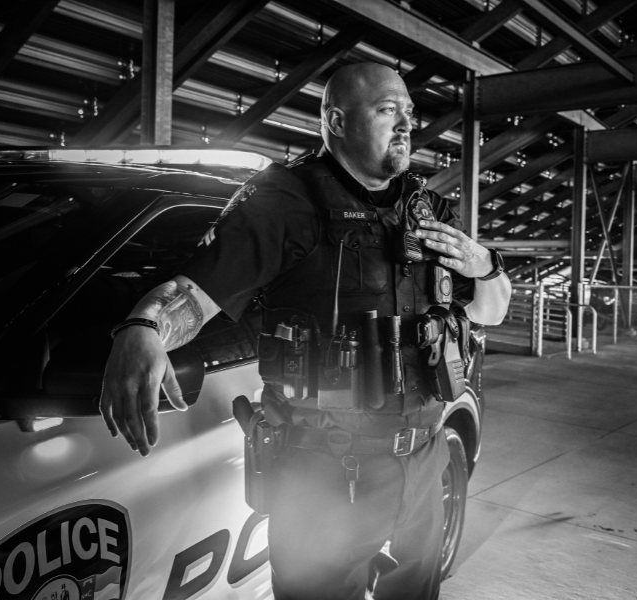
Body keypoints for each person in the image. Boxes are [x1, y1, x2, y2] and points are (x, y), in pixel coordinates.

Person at [100, 62, 511, 599]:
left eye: (409, 113)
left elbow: (489, 313)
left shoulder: (426, 210)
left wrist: (487, 266)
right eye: (388, 111)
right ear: (337, 121)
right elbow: (197, 292)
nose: (407, 126)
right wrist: (144, 327)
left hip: (423, 461)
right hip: (326, 474)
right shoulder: (286, 202)